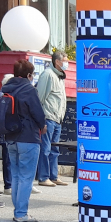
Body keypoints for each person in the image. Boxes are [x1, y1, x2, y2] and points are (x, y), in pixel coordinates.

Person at [3, 60, 48, 222]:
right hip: (28, 137)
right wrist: (42, 126)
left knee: (15, 175)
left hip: (10, 137)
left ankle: (18, 211)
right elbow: (37, 112)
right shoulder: (29, 89)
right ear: (29, 75)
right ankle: (21, 213)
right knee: (26, 177)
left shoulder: (6, 89)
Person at [35, 50, 68, 188]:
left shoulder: (59, 77)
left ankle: (53, 176)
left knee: (55, 150)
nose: (67, 63)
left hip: (57, 119)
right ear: (57, 61)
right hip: (48, 117)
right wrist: (41, 119)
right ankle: (43, 177)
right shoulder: (48, 75)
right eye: (65, 60)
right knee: (46, 148)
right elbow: (39, 97)